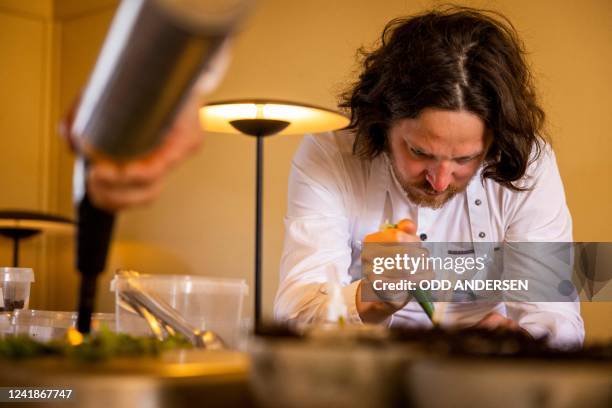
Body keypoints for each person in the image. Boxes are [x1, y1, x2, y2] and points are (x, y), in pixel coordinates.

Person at [274, 7, 584, 348]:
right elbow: (294, 316)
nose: (439, 181)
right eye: (420, 152)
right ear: (382, 122)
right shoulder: (330, 153)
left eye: (465, 159)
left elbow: (557, 318)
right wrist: (374, 297)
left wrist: (522, 342)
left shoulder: (527, 162)